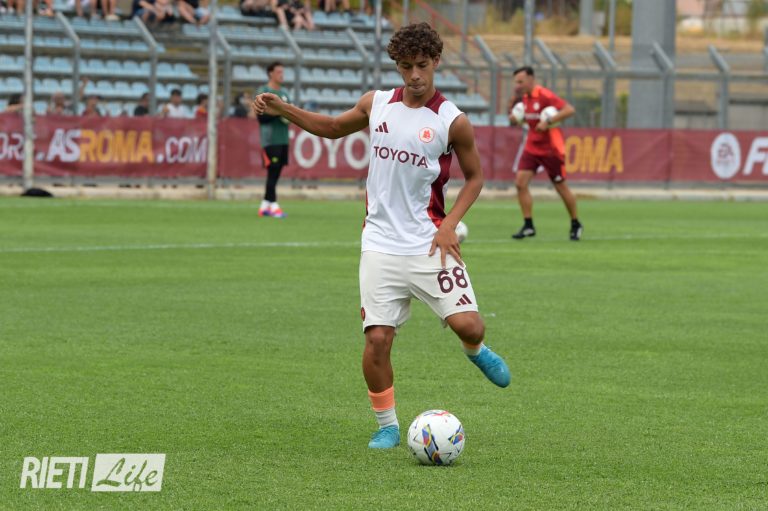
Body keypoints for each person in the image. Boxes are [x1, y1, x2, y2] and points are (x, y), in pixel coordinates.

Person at [252, 22, 510, 450]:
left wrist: (449, 224)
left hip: (429, 242)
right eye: (406, 66)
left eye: (422, 65)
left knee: (470, 325)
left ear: (436, 62)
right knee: (377, 339)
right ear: (397, 66)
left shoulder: (452, 121)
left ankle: (475, 350)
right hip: (379, 244)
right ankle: (387, 425)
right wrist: (285, 109)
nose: (414, 75)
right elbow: (332, 127)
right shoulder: (377, 104)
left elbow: (476, 178)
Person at [509, 66, 582, 241]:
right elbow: (529, 121)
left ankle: (575, 223)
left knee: (560, 186)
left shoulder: (544, 95)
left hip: (551, 149)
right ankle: (528, 225)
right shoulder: (524, 99)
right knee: (520, 183)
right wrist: (516, 120)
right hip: (532, 147)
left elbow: (569, 110)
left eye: (521, 81)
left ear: (531, 79)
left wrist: (549, 121)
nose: (518, 85)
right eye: (516, 82)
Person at [255, 61, 291, 218]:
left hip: (283, 139)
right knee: (273, 171)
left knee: (276, 172)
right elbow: (261, 117)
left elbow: (290, 114)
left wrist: (283, 111)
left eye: (283, 72)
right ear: (270, 73)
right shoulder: (264, 92)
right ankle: (274, 205)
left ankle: (265, 205)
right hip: (270, 140)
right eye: (279, 72)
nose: (282, 75)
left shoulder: (284, 94)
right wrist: (280, 111)